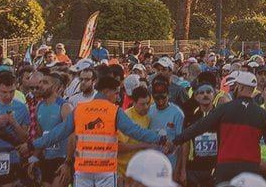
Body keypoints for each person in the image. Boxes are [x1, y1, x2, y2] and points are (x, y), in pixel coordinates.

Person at [27, 75, 166, 187]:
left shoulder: (80, 109)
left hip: (83, 170)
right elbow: (136, 131)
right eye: (116, 93)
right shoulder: (114, 111)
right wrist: (159, 139)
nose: (118, 97)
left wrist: (32, 145)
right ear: (106, 91)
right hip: (105, 171)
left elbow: (57, 133)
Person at [171, 71, 266, 183]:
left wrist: (176, 140)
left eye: (235, 86)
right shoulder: (263, 114)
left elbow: (199, 127)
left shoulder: (224, 109)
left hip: (226, 167)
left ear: (240, 87)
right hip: (251, 167)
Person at [31, 71, 71, 187]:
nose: (40, 85)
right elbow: (40, 135)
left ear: (55, 87)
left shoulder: (64, 107)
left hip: (61, 159)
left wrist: (68, 163)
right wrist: (34, 158)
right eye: (40, 82)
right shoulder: (39, 106)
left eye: (45, 82)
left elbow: (72, 137)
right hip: (46, 158)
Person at [179, 82, 218, 187]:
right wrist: (183, 170)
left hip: (214, 169)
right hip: (193, 170)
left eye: (209, 92)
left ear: (214, 95)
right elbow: (185, 144)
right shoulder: (190, 117)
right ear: (196, 96)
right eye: (201, 92)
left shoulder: (221, 116)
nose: (205, 95)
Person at [118, 86, 153, 178]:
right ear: (133, 102)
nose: (146, 107)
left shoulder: (149, 115)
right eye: (142, 104)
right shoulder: (126, 117)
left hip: (139, 172)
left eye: (148, 103)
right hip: (123, 172)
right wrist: (142, 145)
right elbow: (118, 147)